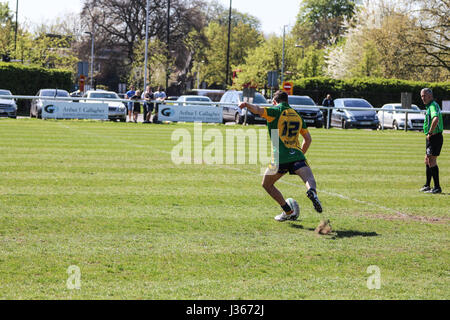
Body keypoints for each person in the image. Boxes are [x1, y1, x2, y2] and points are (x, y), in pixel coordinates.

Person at [238, 90, 324, 224]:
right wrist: (299, 155)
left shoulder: (275, 111)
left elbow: (258, 110)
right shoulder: (297, 115)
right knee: (309, 178)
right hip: (297, 155)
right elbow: (308, 139)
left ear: (274, 101)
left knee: (267, 184)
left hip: (279, 157)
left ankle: (288, 211)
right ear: (287, 101)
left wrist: (246, 105)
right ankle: (312, 191)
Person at [419, 88, 443, 194]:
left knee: (432, 161)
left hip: (435, 137)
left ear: (430, 96)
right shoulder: (430, 106)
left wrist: (430, 132)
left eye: (424, 96)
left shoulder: (433, 105)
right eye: (422, 96)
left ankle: (437, 187)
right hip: (431, 137)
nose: (423, 98)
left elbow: (435, 119)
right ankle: (427, 185)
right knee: (427, 160)